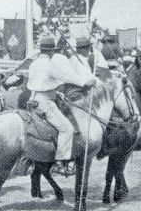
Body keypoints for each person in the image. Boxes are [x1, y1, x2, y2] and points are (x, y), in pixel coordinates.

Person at [27, 37, 95, 165]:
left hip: (34, 98)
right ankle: (60, 161)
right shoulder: (49, 64)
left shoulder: (34, 63)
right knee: (67, 129)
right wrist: (84, 83)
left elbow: (41, 83)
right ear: (52, 51)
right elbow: (66, 77)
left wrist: (56, 92)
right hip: (45, 102)